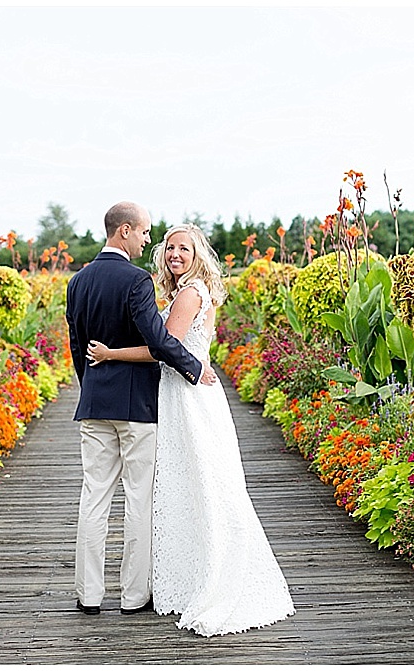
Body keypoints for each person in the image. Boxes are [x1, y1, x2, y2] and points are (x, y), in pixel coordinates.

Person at [86, 223, 295, 637]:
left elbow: (164, 349)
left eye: (184, 248)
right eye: (169, 248)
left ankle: (208, 578)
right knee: (189, 485)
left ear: (198, 254)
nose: (174, 254)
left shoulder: (189, 293)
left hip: (187, 396)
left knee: (198, 482)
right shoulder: (189, 291)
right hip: (183, 393)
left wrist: (111, 354)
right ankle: (189, 572)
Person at [65, 202, 218, 617]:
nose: (148, 240)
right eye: (146, 232)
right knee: (138, 500)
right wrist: (194, 367)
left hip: (95, 403)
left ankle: (88, 596)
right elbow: (159, 341)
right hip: (137, 406)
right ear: (126, 231)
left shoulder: (77, 281)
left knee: (93, 497)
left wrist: (92, 385)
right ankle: (133, 596)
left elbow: (77, 346)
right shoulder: (136, 280)